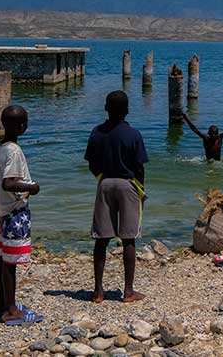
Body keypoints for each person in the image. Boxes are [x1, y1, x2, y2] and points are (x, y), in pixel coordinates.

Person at [85, 91, 148, 303]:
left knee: (101, 239)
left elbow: (91, 163)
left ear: (106, 109)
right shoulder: (133, 134)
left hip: (105, 183)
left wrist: (101, 177)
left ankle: (98, 292)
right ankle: (128, 292)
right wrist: (141, 190)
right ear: (127, 110)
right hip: (127, 184)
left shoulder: (96, 132)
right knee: (128, 238)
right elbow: (139, 167)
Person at [0, 105, 43, 325]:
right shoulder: (13, 151)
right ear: (22, 126)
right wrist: (32, 187)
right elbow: (8, 183)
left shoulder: (1, 148)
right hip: (14, 211)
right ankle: (11, 309)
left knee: (1, 257)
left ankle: (3, 301)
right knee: (10, 261)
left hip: (2, 211)